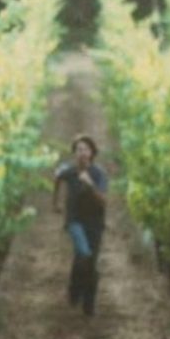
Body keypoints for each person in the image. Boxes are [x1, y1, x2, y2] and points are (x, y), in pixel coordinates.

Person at [52, 133, 108, 316]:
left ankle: (86, 301)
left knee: (89, 261)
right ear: (74, 153)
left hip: (95, 223)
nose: (82, 153)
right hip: (74, 221)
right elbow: (58, 178)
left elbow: (103, 201)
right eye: (78, 149)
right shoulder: (70, 170)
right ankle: (75, 291)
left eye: (85, 149)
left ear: (92, 152)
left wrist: (90, 184)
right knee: (84, 252)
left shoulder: (98, 174)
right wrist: (56, 202)